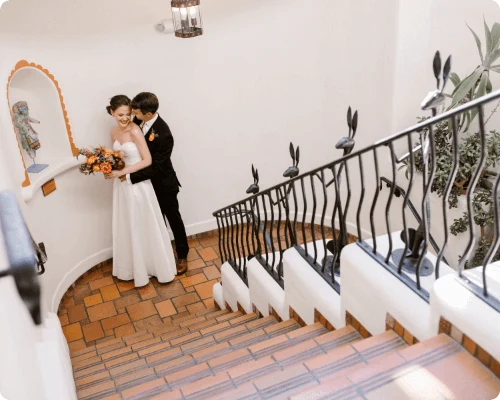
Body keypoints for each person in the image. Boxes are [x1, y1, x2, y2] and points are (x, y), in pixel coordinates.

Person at [104, 95, 177, 286]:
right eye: (121, 114)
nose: (126, 118)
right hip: (122, 185)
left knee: (148, 222)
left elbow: (148, 160)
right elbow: (117, 156)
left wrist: (124, 173)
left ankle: (157, 265)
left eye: (129, 114)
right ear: (112, 112)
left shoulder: (137, 130)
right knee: (128, 223)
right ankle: (134, 266)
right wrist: (108, 166)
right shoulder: (113, 132)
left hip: (140, 183)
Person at [120, 92, 189, 275]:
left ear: (148, 114)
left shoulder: (164, 134)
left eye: (135, 112)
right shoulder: (138, 119)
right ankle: (160, 256)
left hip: (163, 185)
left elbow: (157, 167)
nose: (132, 114)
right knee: (154, 223)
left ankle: (182, 254)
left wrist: (129, 177)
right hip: (146, 187)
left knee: (173, 220)